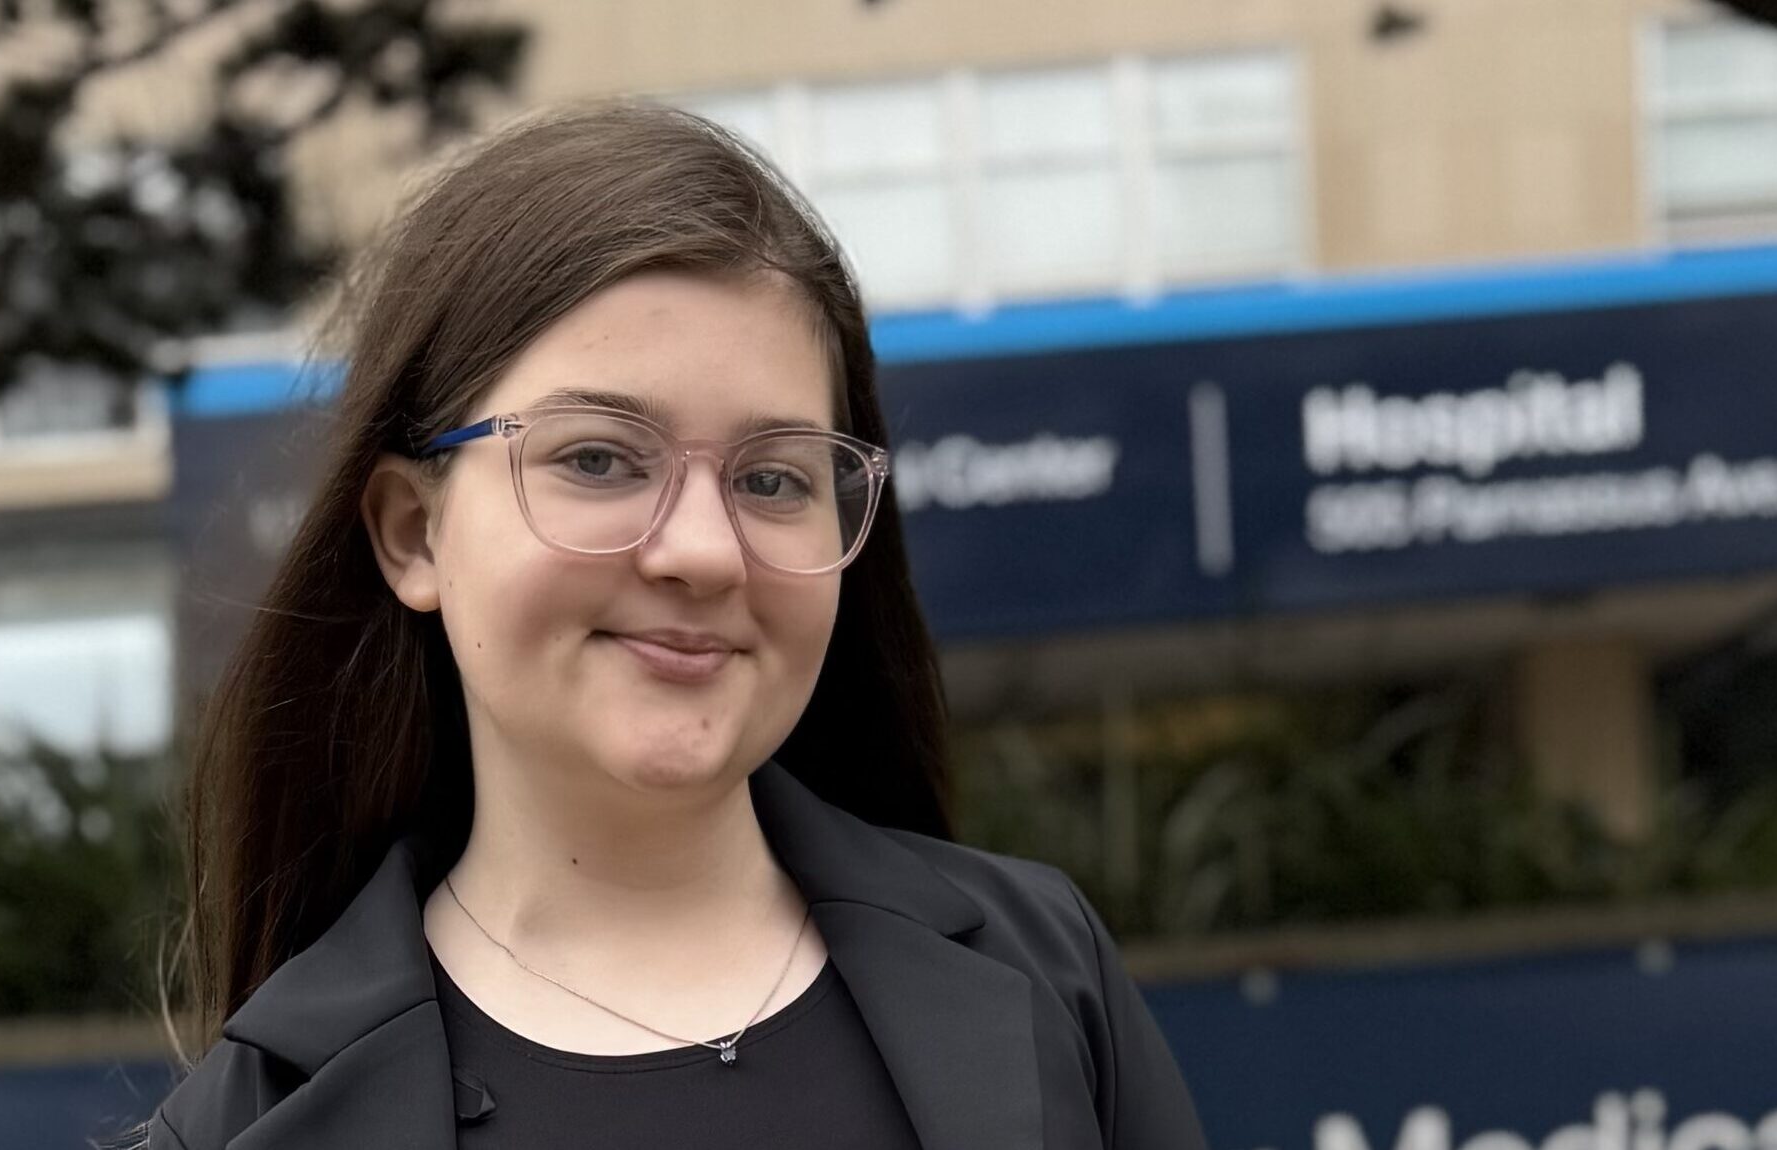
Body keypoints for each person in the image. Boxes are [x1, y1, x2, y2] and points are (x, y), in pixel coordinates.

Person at [145, 99, 1207, 1150]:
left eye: (772, 477)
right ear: (414, 533)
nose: (702, 550)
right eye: (598, 458)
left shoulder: (1044, 973)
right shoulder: (251, 1126)